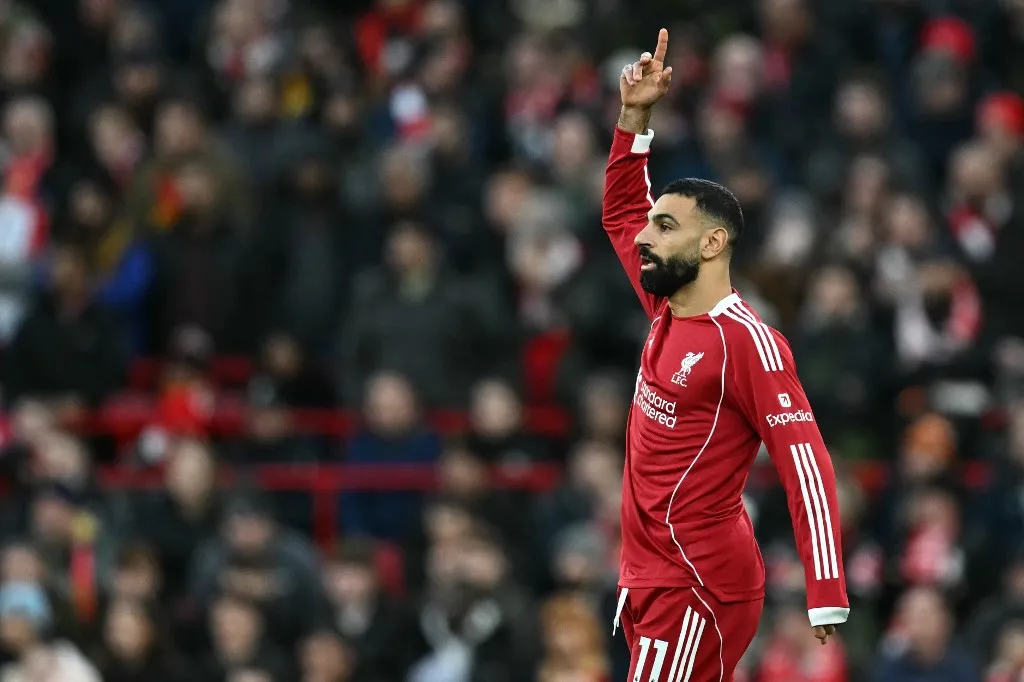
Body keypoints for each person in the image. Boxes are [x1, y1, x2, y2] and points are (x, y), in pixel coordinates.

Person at [605, 29, 849, 681]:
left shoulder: (746, 341)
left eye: (665, 227)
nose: (645, 237)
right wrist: (634, 118)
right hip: (653, 574)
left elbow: (804, 460)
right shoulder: (666, 303)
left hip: (697, 584)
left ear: (711, 245)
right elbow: (621, 210)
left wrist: (825, 587)